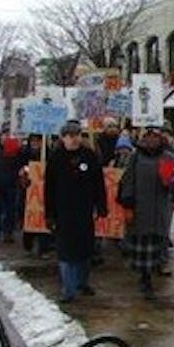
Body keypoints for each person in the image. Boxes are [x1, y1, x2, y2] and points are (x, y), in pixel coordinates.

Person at [44, 120, 107, 303]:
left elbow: (98, 183)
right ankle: (68, 289)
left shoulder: (89, 155)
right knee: (66, 251)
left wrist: (101, 205)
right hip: (63, 212)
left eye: (77, 135)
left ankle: (82, 282)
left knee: (85, 250)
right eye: (70, 136)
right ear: (63, 138)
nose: (74, 139)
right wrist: (49, 214)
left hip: (84, 210)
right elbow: (49, 189)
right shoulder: (56, 158)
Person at [118, 125, 174, 299]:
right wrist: (128, 204)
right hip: (141, 209)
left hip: (160, 210)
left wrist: (171, 181)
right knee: (142, 245)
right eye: (148, 137)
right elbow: (128, 181)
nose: (151, 140)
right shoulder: (136, 157)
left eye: (155, 137)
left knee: (158, 243)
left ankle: (156, 269)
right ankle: (145, 279)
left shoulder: (168, 157)